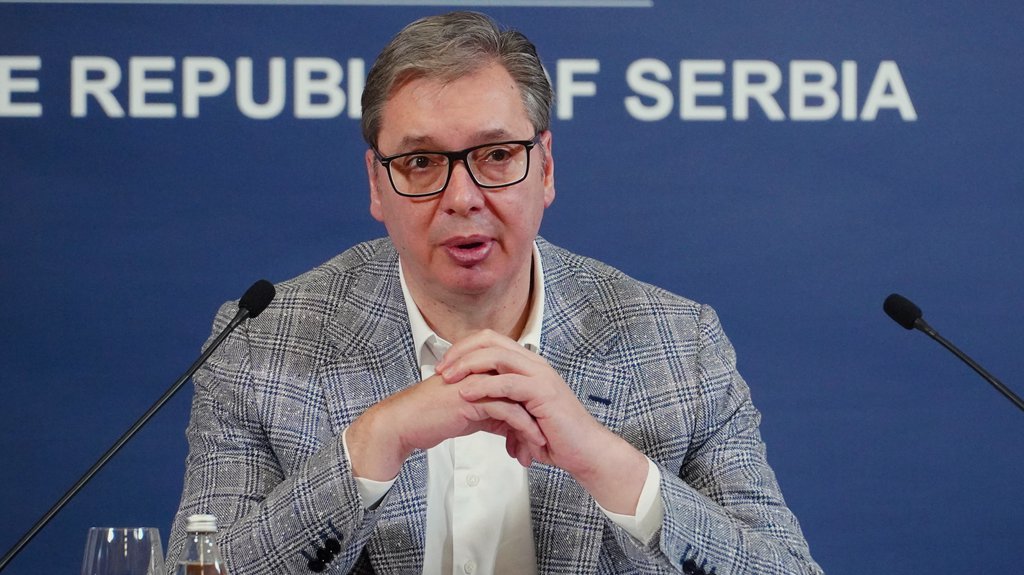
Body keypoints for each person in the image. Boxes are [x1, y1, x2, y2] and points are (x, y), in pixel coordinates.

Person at [167, 11, 822, 575]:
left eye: (497, 155)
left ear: (546, 168)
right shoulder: (261, 344)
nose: (462, 197)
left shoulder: (679, 346)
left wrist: (605, 462)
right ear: (376, 184)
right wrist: (368, 450)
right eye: (420, 162)